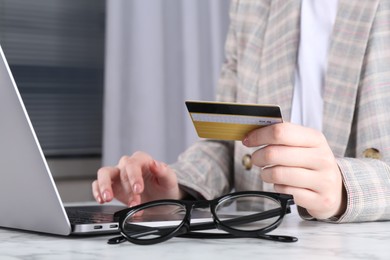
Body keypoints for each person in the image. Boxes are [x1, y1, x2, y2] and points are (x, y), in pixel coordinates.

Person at [92, 0, 390, 223]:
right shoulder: (249, 4)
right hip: (259, 241)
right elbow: (231, 142)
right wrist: (176, 188)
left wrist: (346, 187)